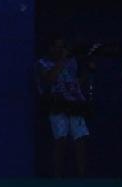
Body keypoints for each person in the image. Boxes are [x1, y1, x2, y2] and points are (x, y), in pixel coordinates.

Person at [38, 37, 92, 175]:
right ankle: (58, 178)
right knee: (60, 140)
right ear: (50, 48)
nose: (61, 50)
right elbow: (50, 79)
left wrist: (88, 72)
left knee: (80, 139)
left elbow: (74, 81)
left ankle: (82, 176)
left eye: (63, 47)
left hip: (74, 102)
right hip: (56, 104)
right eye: (58, 47)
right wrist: (62, 60)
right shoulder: (42, 63)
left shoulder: (72, 61)